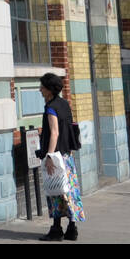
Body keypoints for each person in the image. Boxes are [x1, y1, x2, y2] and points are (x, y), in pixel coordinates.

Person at [36, 72, 84, 241]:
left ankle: (56, 230)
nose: (40, 89)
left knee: (55, 191)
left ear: (49, 89)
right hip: (67, 155)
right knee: (69, 191)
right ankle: (72, 228)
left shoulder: (51, 107)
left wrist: (49, 156)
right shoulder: (64, 104)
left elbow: (54, 133)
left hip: (55, 157)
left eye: (42, 86)